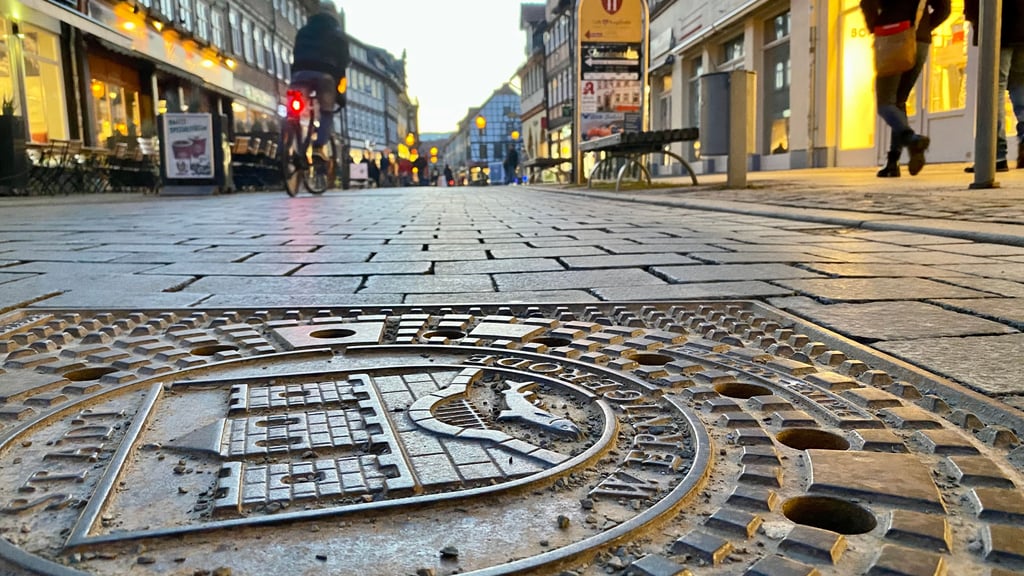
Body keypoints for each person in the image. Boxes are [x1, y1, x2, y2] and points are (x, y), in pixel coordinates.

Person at [861, 0, 943, 176]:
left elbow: (867, 3)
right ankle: (893, 161)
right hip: (920, 40)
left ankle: (912, 139)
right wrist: (923, 28)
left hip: (892, 37)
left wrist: (875, 27)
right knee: (899, 101)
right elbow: (944, 9)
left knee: (885, 103)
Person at [964, 0, 1024, 172]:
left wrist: (974, 19)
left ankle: (996, 154)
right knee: (1020, 87)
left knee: (994, 87)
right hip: (1021, 26)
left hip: (998, 27)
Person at [289, 2, 349, 159]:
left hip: (300, 73)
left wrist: (294, 76)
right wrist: (340, 95)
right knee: (326, 111)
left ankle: (287, 144)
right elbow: (344, 62)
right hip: (325, 75)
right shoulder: (337, 34)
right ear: (334, 15)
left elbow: (295, 54)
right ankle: (319, 147)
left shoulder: (303, 31)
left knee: (293, 111)